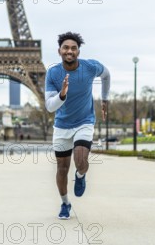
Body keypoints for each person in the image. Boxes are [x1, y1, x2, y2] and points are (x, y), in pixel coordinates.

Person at [45, 32, 110, 220]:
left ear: (78, 51)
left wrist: (105, 98)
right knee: (62, 169)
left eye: (73, 48)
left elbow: (106, 75)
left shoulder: (90, 67)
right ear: (59, 51)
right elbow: (50, 107)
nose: (69, 51)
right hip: (62, 125)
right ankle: (65, 203)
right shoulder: (53, 73)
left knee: (81, 161)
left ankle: (81, 175)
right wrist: (62, 94)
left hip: (84, 121)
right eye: (66, 47)